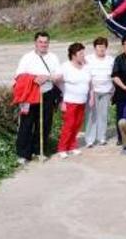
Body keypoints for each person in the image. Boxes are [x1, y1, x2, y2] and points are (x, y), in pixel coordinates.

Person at [13, 32, 61, 164]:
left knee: (45, 123)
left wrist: (46, 77)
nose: (43, 45)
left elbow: (58, 76)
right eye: (41, 42)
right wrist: (34, 78)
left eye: (46, 42)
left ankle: (39, 150)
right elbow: (19, 75)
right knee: (27, 123)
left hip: (47, 93)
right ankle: (23, 154)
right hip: (29, 95)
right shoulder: (27, 58)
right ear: (35, 43)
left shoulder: (53, 57)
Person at [54, 43, 89, 159]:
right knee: (68, 125)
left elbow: (89, 81)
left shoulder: (86, 66)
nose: (83, 55)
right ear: (73, 55)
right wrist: (62, 99)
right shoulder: (65, 66)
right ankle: (62, 148)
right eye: (81, 54)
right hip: (70, 101)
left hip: (82, 101)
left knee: (77, 125)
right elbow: (57, 82)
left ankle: (72, 146)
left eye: (84, 53)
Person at [84, 37, 114, 147]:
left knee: (103, 115)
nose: (101, 48)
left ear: (106, 47)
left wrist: (113, 90)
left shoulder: (110, 59)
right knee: (91, 115)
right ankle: (90, 140)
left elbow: (114, 75)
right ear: (95, 47)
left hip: (106, 91)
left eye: (103, 46)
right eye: (99, 46)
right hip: (93, 92)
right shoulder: (88, 59)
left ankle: (102, 137)